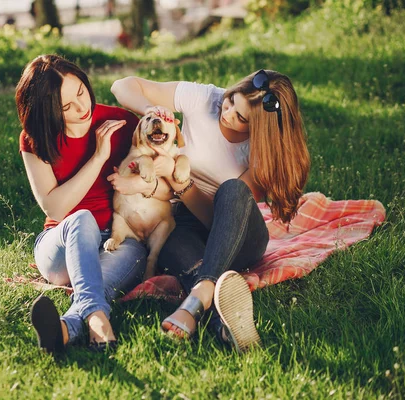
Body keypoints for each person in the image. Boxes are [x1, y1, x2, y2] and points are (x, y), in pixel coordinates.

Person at [110, 70, 310, 351]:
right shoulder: (205, 99)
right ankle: (216, 317)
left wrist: (181, 184)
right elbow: (121, 85)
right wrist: (151, 110)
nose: (227, 114)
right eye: (231, 101)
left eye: (241, 118)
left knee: (233, 189)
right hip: (186, 224)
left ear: (261, 128)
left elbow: (221, 219)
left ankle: (202, 290)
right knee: (169, 241)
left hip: (238, 233)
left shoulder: (261, 152)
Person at [16, 55, 163, 354]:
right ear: (47, 112)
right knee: (81, 218)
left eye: (81, 93)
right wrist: (98, 158)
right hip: (62, 243)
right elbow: (55, 209)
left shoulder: (122, 123)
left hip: (119, 238)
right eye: (66, 107)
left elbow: (158, 180)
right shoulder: (36, 139)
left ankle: (70, 327)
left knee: (101, 282)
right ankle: (96, 316)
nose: (82, 109)